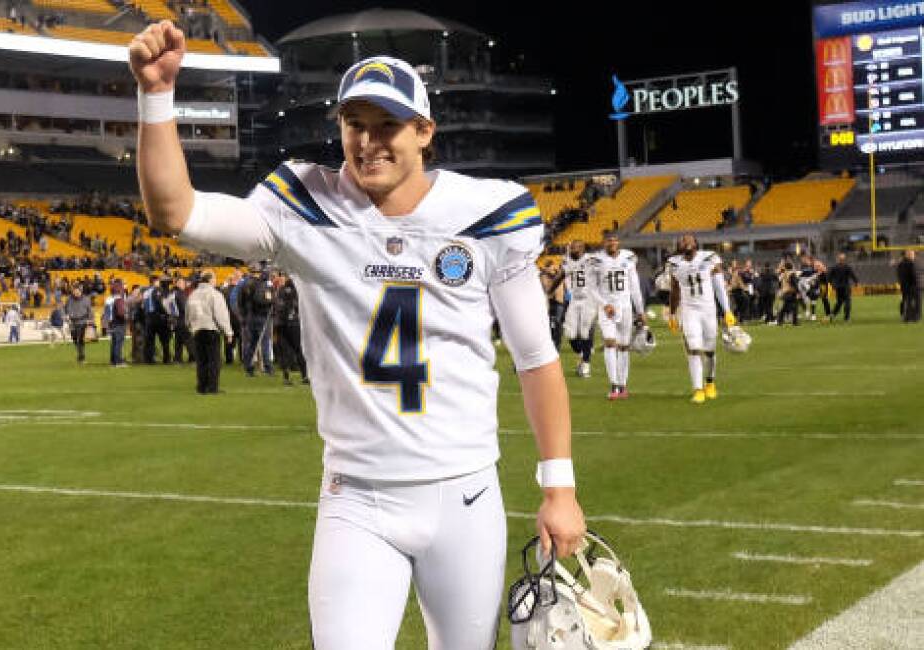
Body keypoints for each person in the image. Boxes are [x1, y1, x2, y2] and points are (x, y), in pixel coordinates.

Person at [129, 27, 585, 649]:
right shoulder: (306, 205)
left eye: (387, 125)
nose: (368, 142)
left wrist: (559, 488)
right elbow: (175, 213)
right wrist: (156, 97)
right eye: (354, 123)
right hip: (356, 496)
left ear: (425, 130)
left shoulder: (486, 216)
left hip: (466, 494)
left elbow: (536, 358)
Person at [665, 234, 736, 404]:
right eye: (682, 240)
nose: (686, 241)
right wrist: (672, 314)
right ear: (679, 245)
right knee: (694, 348)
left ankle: (710, 382)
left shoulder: (709, 258)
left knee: (710, 351)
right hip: (689, 311)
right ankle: (698, 389)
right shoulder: (674, 263)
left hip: (708, 309)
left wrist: (727, 310)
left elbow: (719, 286)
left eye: (689, 239)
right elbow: (675, 291)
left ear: (696, 243)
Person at [587, 232, 646, 399]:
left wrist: (640, 311)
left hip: (625, 306)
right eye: (608, 240)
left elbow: (634, 286)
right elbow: (591, 287)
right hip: (607, 308)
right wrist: (604, 305)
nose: (611, 243)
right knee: (610, 342)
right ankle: (614, 385)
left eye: (614, 240)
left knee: (624, 346)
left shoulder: (628, 257)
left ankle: (622, 385)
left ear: (618, 242)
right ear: (603, 242)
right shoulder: (596, 260)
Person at [186, 270, 233, 394]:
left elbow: (188, 313)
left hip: (197, 330)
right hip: (211, 329)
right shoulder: (214, 294)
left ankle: (201, 387)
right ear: (211, 280)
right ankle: (212, 387)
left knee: (201, 360)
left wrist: (190, 326)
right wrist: (228, 331)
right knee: (214, 360)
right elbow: (221, 314)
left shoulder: (193, 294)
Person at [559, 239, 597, 378]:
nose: (572, 249)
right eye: (572, 247)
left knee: (585, 332)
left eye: (575, 247)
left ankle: (586, 364)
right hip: (574, 300)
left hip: (588, 300)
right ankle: (582, 353)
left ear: (582, 248)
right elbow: (563, 275)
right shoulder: (566, 261)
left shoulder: (591, 260)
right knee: (570, 333)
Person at [272, 272, 308, 386]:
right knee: (295, 350)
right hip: (289, 323)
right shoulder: (293, 290)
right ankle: (302, 376)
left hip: (285, 324)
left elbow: (279, 306)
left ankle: (290, 376)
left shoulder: (284, 290)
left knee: (289, 351)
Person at [65, 284, 93, 363]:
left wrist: (90, 320)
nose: (76, 293)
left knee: (80, 340)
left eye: (77, 291)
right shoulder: (69, 300)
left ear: (81, 291)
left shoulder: (86, 299)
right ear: (73, 291)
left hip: (83, 321)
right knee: (74, 340)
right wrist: (67, 316)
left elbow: (90, 311)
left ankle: (81, 357)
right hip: (72, 322)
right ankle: (80, 354)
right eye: (74, 291)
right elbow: (66, 309)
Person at [827, 253, 859, 322]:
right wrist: (856, 282)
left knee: (839, 302)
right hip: (846, 287)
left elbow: (828, 277)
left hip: (838, 287)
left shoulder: (833, 267)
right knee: (847, 302)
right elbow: (853, 275)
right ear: (844, 260)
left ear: (837, 259)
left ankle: (832, 315)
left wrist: (832, 284)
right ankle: (846, 318)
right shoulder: (847, 267)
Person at [105, 280, 130, 367]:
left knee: (114, 342)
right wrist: (126, 317)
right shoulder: (119, 299)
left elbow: (107, 313)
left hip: (111, 322)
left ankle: (113, 361)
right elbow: (121, 313)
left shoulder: (108, 299)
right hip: (119, 322)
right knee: (119, 343)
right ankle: (118, 361)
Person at [898, 250, 920, 322]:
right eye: (912, 254)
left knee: (906, 301)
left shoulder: (901, 264)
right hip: (911, 286)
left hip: (904, 286)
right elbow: (913, 276)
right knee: (911, 302)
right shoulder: (910, 264)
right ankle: (911, 317)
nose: (913, 256)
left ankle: (906, 316)